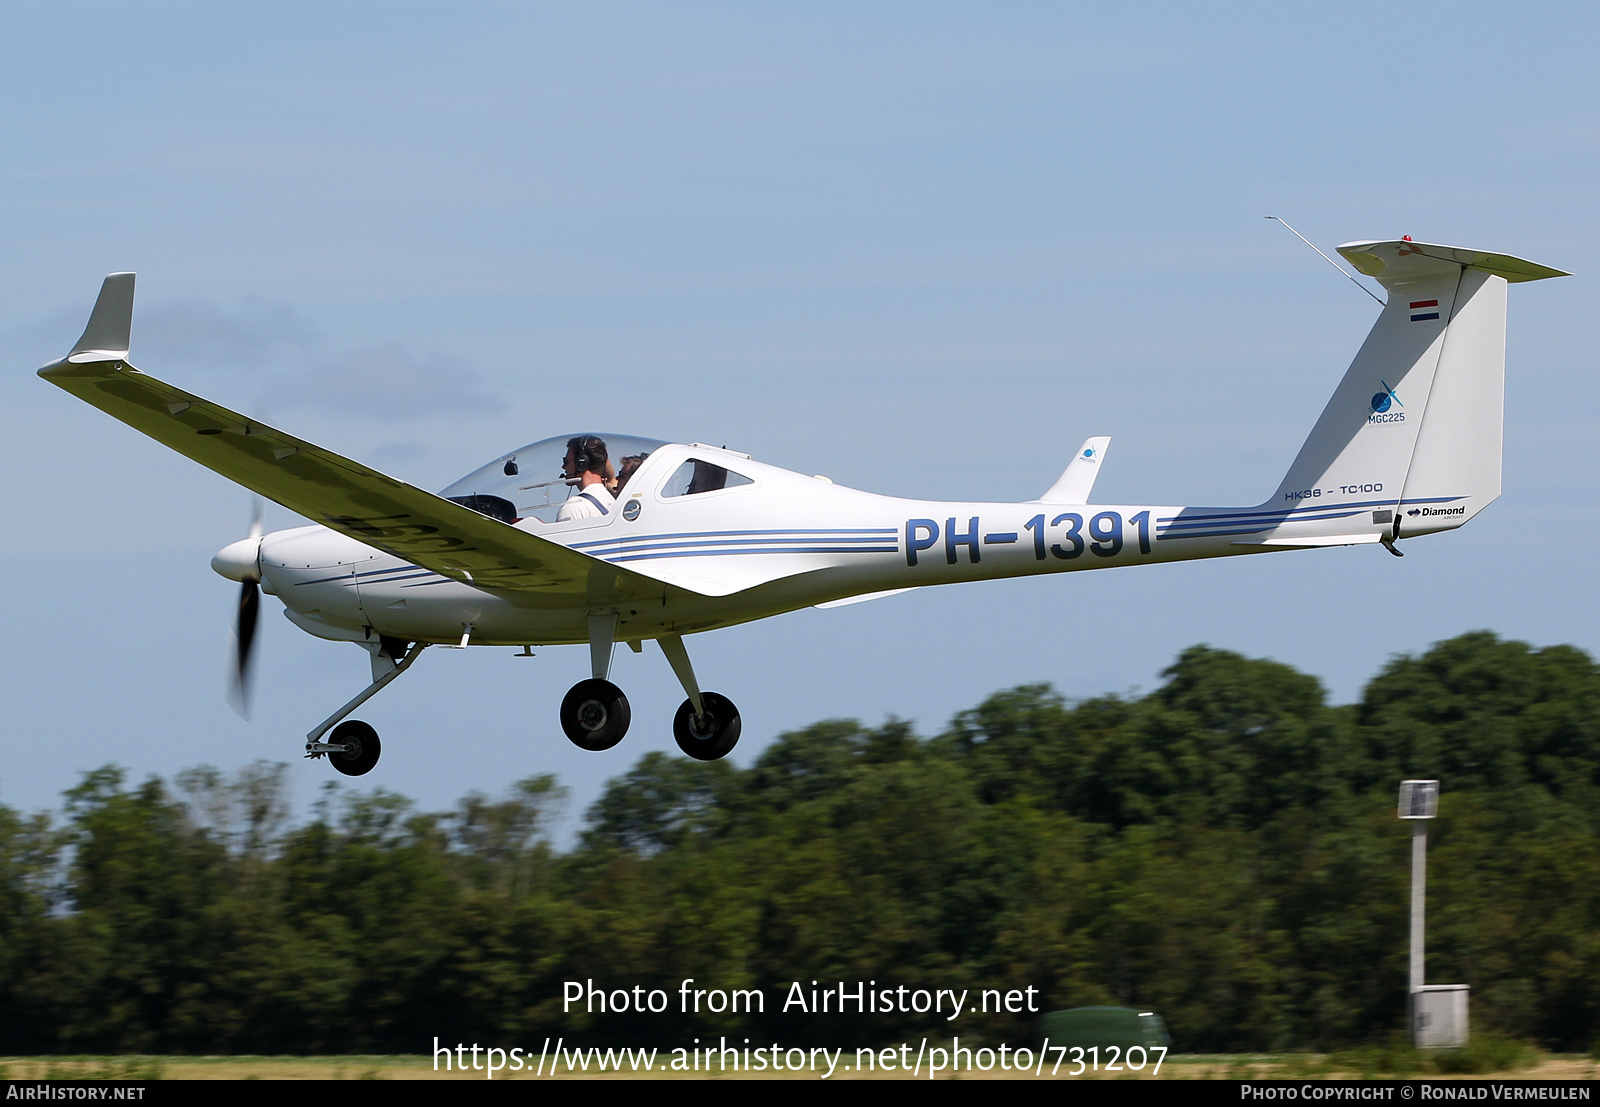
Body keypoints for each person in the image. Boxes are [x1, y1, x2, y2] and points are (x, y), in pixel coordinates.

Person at [555, 435, 615, 521]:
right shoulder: (612, 502)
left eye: (566, 461)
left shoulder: (574, 508)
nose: (564, 467)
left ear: (581, 463)